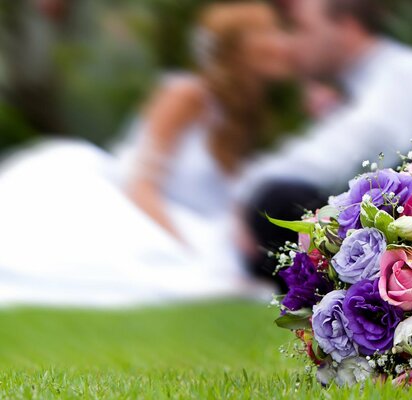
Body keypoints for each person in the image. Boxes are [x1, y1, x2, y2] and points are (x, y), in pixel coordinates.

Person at [0, 2, 292, 306]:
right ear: (239, 47)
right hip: (130, 202)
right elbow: (142, 183)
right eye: (270, 31)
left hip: (201, 227)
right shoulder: (186, 95)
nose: (284, 42)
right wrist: (187, 254)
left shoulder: (246, 116)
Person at [240, 0, 412, 283]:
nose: (294, 44)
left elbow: (340, 154)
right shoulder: (364, 82)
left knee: (277, 202)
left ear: (346, 25)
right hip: (391, 238)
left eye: (302, 28)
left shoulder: (406, 72)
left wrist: (247, 190)